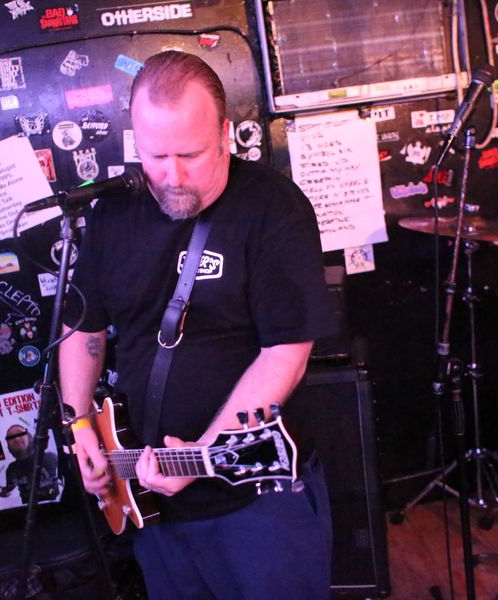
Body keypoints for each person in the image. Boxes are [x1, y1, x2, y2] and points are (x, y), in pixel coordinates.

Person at [58, 51, 335, 600]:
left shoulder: (273, 208)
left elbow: (286, 352)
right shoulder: (112, 213)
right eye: (156, 155)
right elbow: (84, 330)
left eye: (191, 153)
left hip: (253, 495)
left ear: (225, 134)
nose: (173, 175)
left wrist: (203, 454)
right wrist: (81, 424)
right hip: (147, 498)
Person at [0, 424, 60, 503]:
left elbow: (56, 489)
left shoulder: (50, 458)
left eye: (20, 434)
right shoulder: (11, 469)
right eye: (11, 437)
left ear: (29, 438)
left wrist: (49, 491)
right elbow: (9, 492)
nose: (16, 439)